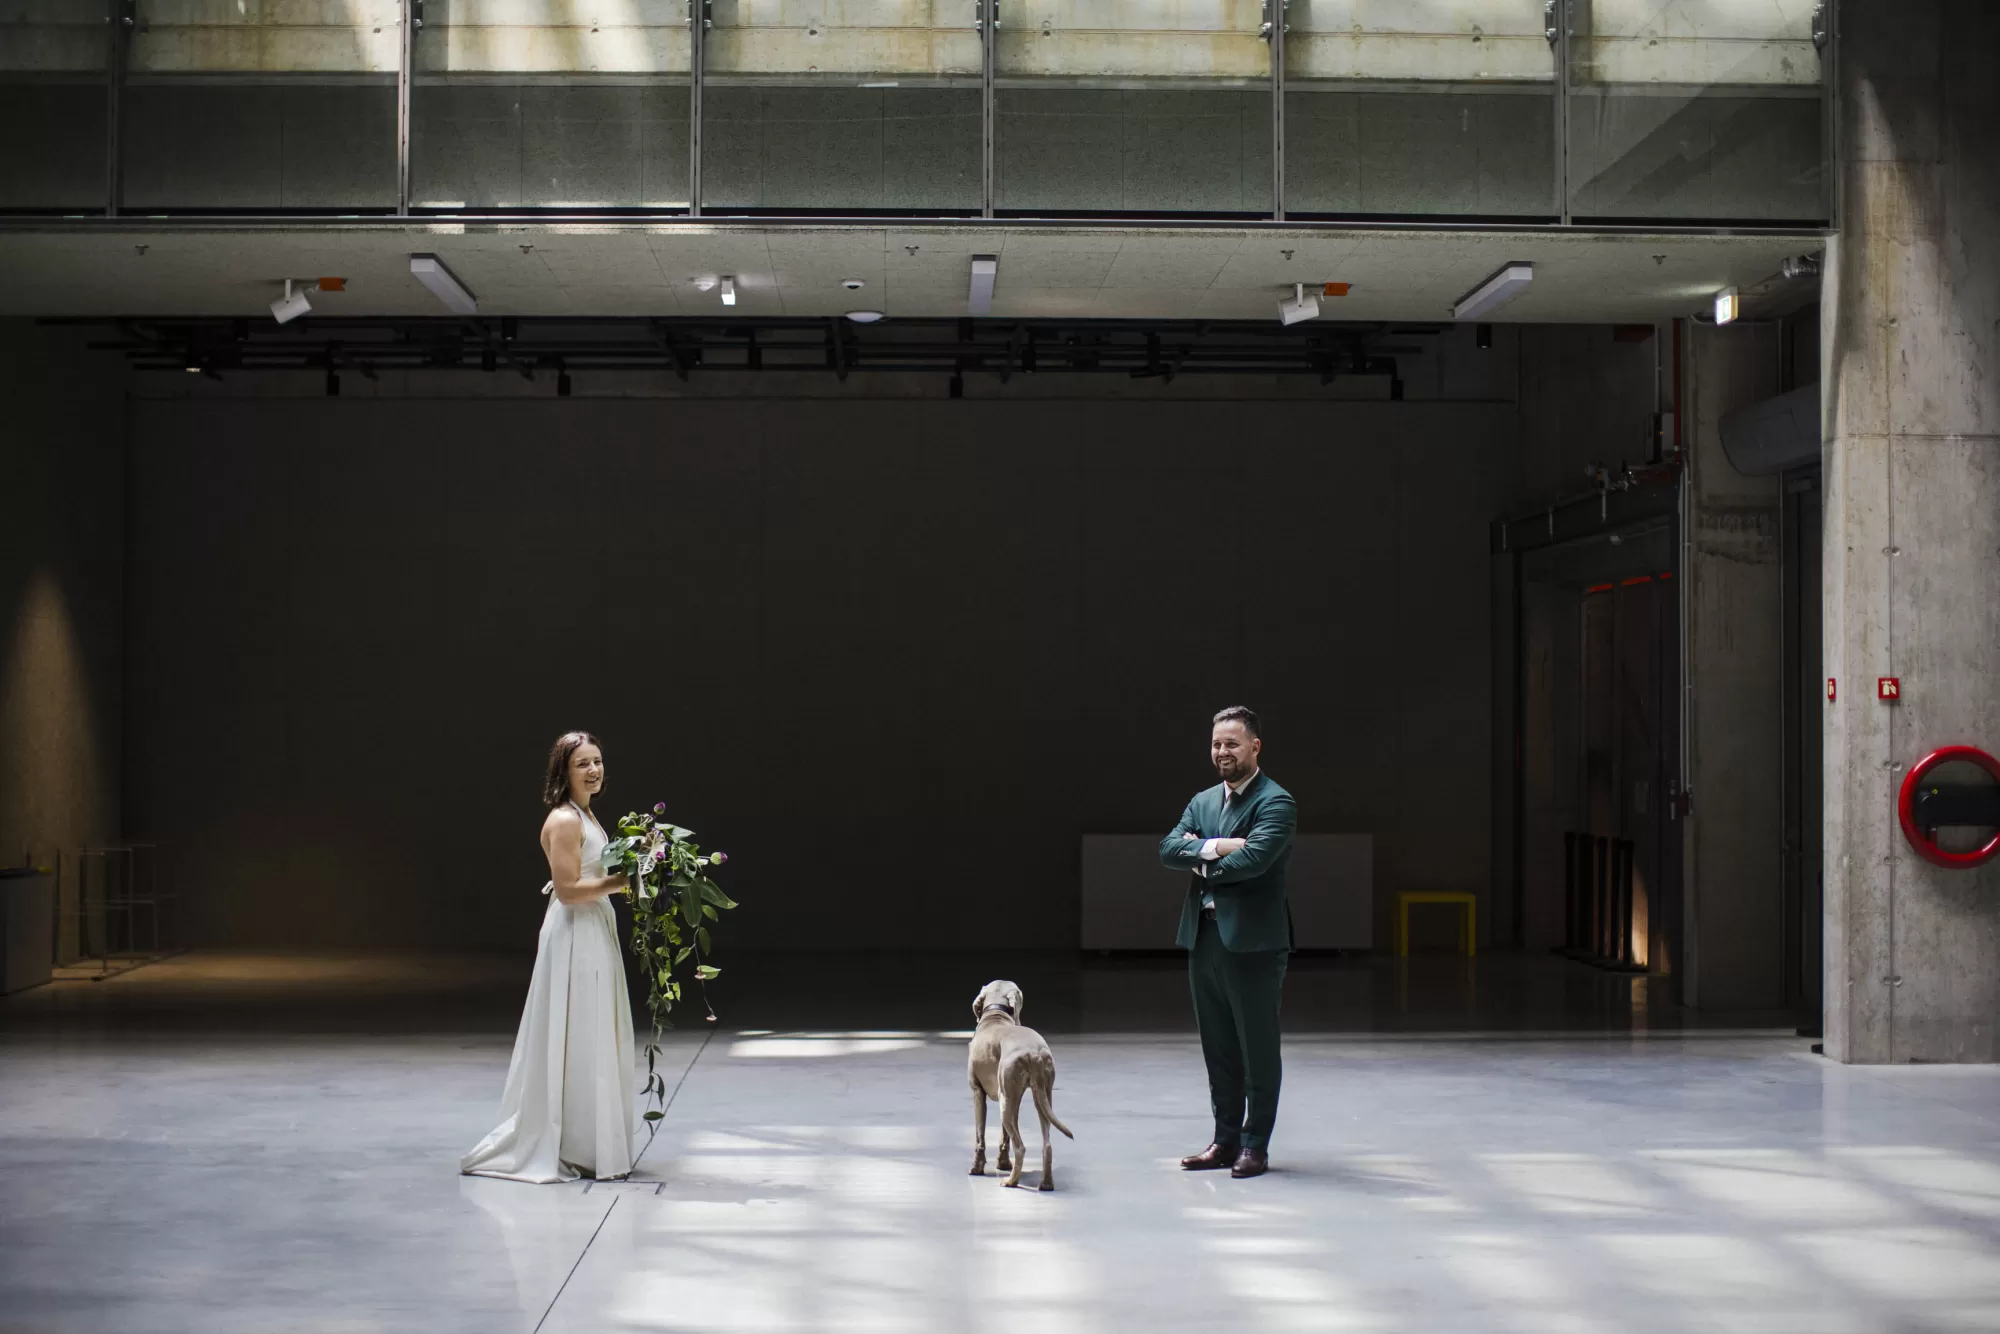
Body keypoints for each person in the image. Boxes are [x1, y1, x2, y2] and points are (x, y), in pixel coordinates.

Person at [462, 731, 638, 1182]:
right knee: (577, 1026)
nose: (594, 770)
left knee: (591, 1029)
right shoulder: (564, 820)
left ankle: (588, 1141)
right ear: (564, 771)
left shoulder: (586, 815)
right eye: (583, 764)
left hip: (593, 926)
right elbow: (567, 889)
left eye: (598, 761)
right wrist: (624, 881)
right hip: (575, 931)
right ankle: (571, 1142)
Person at [1157, 706, 1296, 1179]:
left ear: (1255, 747)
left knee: (1257, 1048)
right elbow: (1168, 849)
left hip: (1254, 944)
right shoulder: (1202, 801)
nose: (1223, 752)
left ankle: (1255, 1146)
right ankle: (1224, 1141)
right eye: (1217, 744)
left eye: (1232, 744)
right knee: (1218, 1047)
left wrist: (1198, 856)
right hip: (1205, 937)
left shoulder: (1276, 802)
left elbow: (1254, 861)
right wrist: (1219, 846)